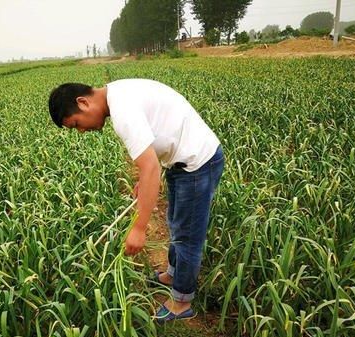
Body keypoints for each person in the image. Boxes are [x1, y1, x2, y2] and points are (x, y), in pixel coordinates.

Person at [48, 79, 225, 322]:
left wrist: (139, 228)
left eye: (76, 124)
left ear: (83, 102)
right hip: (180, 161)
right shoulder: (117, 94)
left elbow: (150, 166)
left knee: (187, 236)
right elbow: (150, 161)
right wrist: (146, 176)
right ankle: (173, 275)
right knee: (176, 223)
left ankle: (182, 303)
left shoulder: (123, 112)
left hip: (197, 162)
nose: (81, 130)